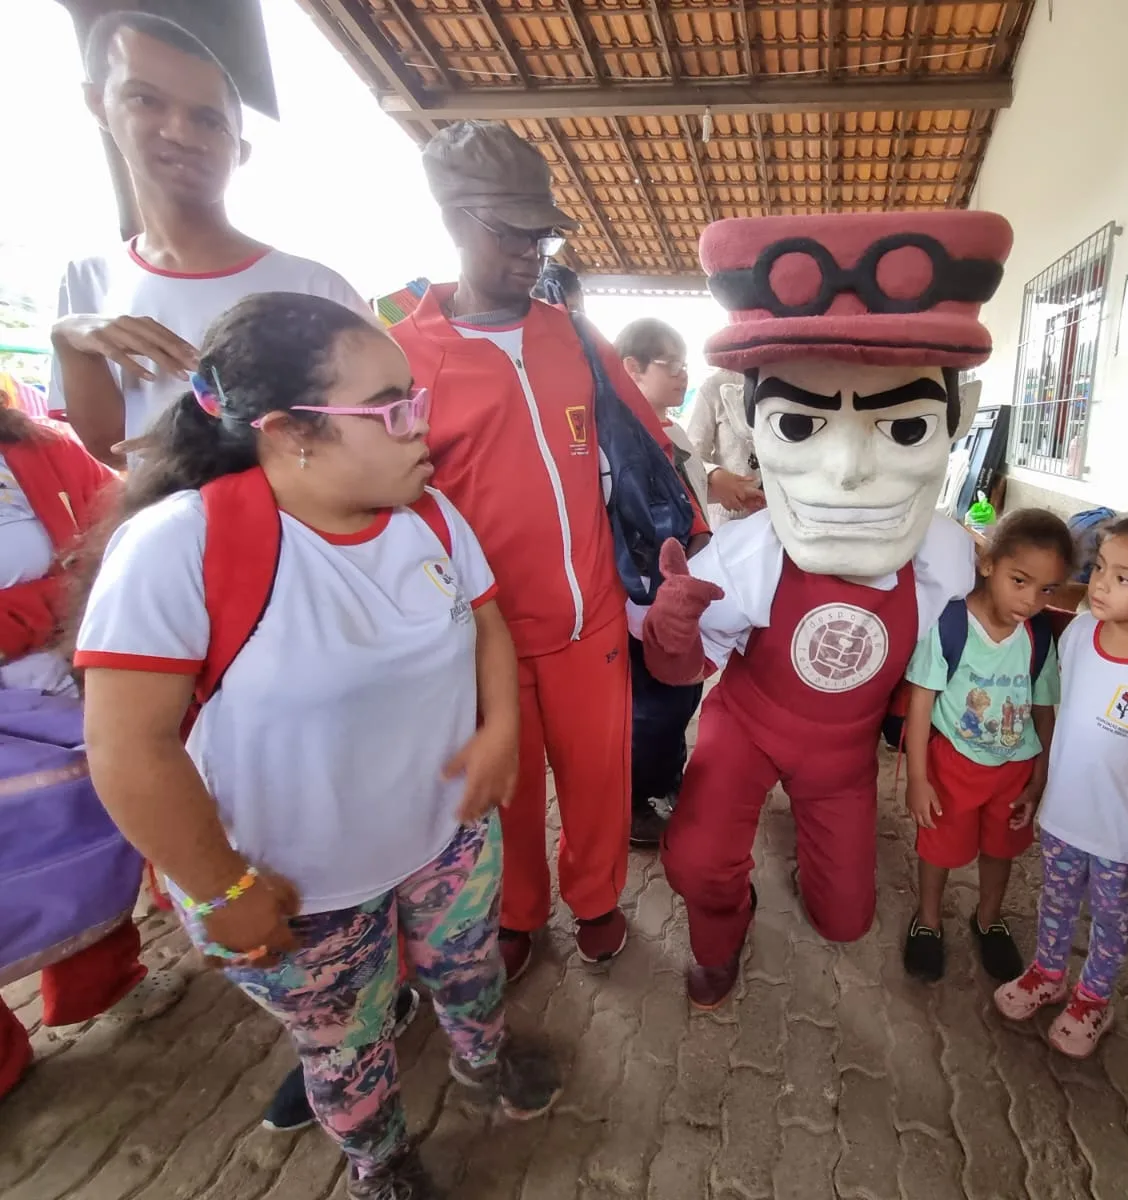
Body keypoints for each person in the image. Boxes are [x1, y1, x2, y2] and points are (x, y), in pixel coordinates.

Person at [68, 292, 558, 1200]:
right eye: (392, 408)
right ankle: (382, 1162)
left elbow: (484, 621)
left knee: (469, 965)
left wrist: (499, 732)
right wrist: (226, 889)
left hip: (444, 837)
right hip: (293, 888)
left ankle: (481, 1062)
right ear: (291, 430)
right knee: (345, 1042)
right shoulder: (182, 546)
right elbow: (127, 748)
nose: (426, 427)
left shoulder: (431, 518)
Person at [641, 210, 1009, 1009]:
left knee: (845, 921)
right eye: (802, 426)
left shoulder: (944, 556)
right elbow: (685, 662)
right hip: (752, 719)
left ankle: (806, 845)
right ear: (751, 423)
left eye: (904, 427)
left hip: (844, 752)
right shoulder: (754, 550)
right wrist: (668, 634)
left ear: (957, 420)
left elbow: (961, 657)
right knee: (696, 859)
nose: (845, 470)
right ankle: (724, 922)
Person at [388, 122, 708, 980]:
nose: (534, 251)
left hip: (592, 612)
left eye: (544, 233)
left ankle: (597, 898)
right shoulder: (402, 356)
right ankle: (520, 911)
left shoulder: (575, 338)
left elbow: (647, 454)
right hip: (484, 631)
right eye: (511, 229)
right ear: (455, 216)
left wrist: (701, 528)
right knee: (513, 788)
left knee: (601, 773)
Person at [49, 11, 367, 466]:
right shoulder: (88, 281)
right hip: (168, 529)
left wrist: (227, 443)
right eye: (146, 100)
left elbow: (369, 433)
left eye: (208, 120)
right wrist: (69, 342)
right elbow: (113, 450)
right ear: (99, 103)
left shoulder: (316, 288)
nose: (179, 133)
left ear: (241, 149)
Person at [992, 511, 1128, 1058]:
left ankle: (1093, 999)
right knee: (1055, 900)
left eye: (1122, 577)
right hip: (1066, 817)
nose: (1098, 584)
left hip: (1122, 838)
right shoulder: (1082, 633)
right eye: (1099, 568)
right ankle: (1047, 972)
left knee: (1111, 923)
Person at [0, 405, 173, 1101]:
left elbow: (115, 540)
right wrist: (55, 598)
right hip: (59, 650)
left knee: (88, 827)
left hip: (67, 685)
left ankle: (100, 982)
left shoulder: (36, 446)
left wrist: (43, 606)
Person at [901, 508, 1071, 984]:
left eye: (1047, 589)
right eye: (1020, 581)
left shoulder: (1038, 635)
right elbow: (921, 702)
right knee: (938, 849)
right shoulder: (951, 623)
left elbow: (1044, 710)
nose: (1032, 600)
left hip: (1014, 771)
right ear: (988, 563)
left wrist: (1039, 778)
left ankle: (988, 918)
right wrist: (918, 778)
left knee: (1001, 850)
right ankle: (929, 921)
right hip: (952, 766)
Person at [617, 317, 709, 848]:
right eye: (670, 366)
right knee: (650, 704)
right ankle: (635, 802)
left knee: (682, 689)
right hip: (643, 593)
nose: (681, 377)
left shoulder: (671, 433)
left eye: (684, 367)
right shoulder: (617, 438)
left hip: (683, 585)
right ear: (631, 368)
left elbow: (693, 493)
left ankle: (666, 778)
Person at [682, 366, 765, 526]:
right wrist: (714, 475)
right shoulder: (715, 386)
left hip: (779, 512)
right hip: (731, 517)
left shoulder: (785, 375)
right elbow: (692, 454)